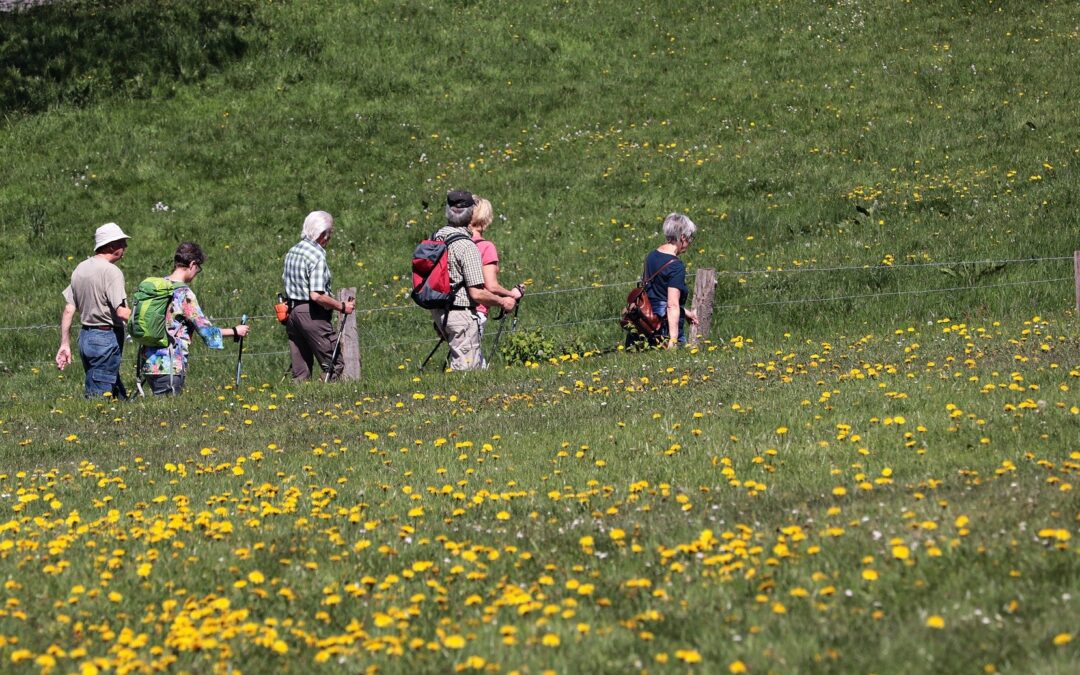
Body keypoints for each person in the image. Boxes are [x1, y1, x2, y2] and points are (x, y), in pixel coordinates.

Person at [137, 243, 250, 395]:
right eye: (198, 268)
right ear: (192, 264)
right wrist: (235, 331)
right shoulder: (184, 293)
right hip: (170, 364)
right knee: (170, 414)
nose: (197, 273)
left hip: (149, 361)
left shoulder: (159, 287)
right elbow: (206, 332)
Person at [430, 190, 516, 370]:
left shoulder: (437, 237)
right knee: (467, 372)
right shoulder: (467, 246)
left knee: (476, 367)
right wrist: (504, 301)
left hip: (440, 310)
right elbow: (478, 292)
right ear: (470, 215)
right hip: (462, 312)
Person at [55, 222, 132, 398]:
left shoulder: (80, 268)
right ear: (111, 245)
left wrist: (65, 344)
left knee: (108, 383)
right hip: (105, 337)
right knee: (98, 395)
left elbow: (69, 309)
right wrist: (148, 322)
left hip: (86, 338)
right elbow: (121, 312)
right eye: (121, 243)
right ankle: (96, 420)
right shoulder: (112, 272)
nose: (125, 247)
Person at [282, 210, 355, 381]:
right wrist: (342, 306)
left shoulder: (293, 251)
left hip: (291, 314)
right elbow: (316, 295)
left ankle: (300, 401)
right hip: (311, 314)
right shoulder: (316, 256)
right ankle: (328, 400)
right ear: (323, 234)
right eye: (330, 233)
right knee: (333, 364)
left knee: (300, 371)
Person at [629, 212, 699, 349]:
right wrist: (673, 340)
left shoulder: (652, 256)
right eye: (690, 238)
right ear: (682, 237)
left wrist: (685, 312)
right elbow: (672, 304)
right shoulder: (676, 266)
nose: (690, 242)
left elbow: (656, 295)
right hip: (664, 328)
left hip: (646, 324)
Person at [468, 195, 524, 339]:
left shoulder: (456, 243)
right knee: (472, 360)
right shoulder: (486, 247)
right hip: (475, 312)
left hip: (450, 313)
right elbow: (491, 286)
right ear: (486, 219)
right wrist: (513, 295)